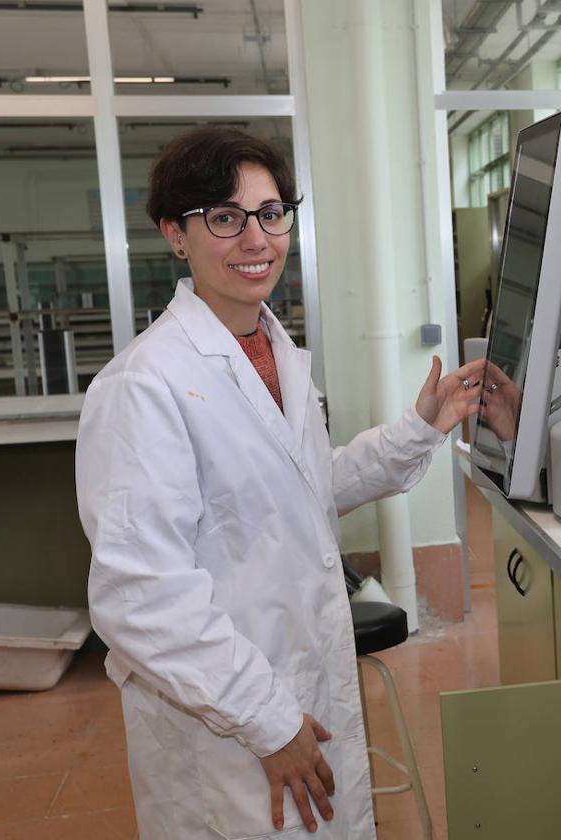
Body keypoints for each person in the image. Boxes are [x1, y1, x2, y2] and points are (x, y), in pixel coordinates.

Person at [74, 126, 485, 839]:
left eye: (271, 213)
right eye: (225, 218)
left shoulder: (277, 350)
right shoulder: (145, 385)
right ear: (176, 233)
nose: (257, 239)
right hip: (225, 723)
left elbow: (301, 488)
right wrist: (266, 721)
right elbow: (140, 593)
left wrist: (419, 427)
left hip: (296, 684)